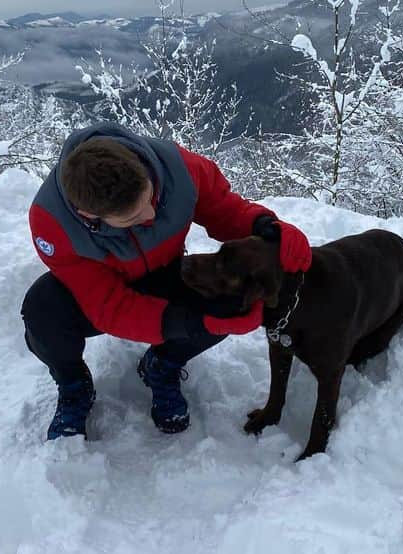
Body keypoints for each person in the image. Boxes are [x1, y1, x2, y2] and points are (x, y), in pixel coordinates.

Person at [22, 122, 312, 440]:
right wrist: (187, 322)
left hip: (167, 271)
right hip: (102, 290)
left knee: (229, 303)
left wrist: (267, 227)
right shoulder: (51, 223)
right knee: (41, 311)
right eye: (133, 218)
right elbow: (109, 306)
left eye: (152, 198)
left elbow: (226, 210)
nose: (150, 216)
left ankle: (162, 364)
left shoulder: (179, 169)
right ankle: (73, 384)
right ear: (90, 216)